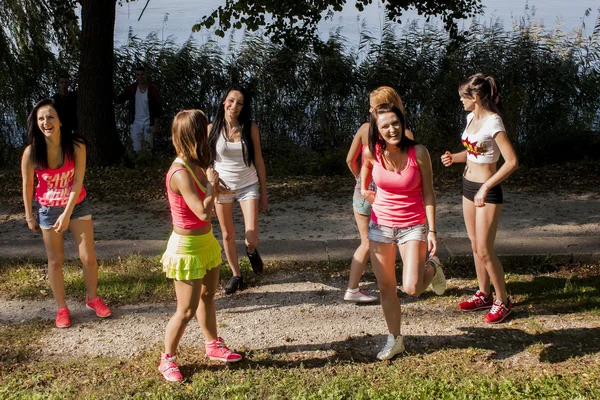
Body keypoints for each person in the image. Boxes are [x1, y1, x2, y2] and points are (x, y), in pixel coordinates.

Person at [159, 109, 242, 382]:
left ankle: (212, 344)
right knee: (185, 310)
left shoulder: (197, 162)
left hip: (205, 242)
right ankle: (167, 359)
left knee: (208, 297)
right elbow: (203, 212)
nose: (209, 131)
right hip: (186, 248)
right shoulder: (180, 172)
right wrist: (211, 185)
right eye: (203, 129)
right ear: (193, 135)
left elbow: (211, 204)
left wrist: (220, 187)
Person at [361, 103, 446, 360]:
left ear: (402, 123)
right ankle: (395, 339)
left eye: (395, 123)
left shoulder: (418, 152)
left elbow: (428, 192)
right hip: (380, 227)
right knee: (386, 287)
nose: (391, 129)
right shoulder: (372, 152)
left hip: (413, 226)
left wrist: (432, 230)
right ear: (377, 130)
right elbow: (364, 172)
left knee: (411, 288)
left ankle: (432, 267)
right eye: (385, 126)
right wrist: (365, 190)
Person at [21, 98, 111, 328]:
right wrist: (29, 216)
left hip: (77, 204)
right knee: (56, 260)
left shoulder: (77, 145)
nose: (46, 122)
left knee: (88, 258)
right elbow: (27, 186)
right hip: (48, 210)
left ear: (60, 120)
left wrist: (67, 212)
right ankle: (61, 308)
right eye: (41, 118)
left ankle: (92, 299)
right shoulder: (31, 153)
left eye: (50, 117)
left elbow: (78, 180)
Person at [441, 73, 518, 324]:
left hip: (488, 191)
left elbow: (512, 162)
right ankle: (483, 294)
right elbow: (475, 152)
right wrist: (455, 157)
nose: (460, 101)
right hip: (468, 186)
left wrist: (486, 186)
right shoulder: (471, 117)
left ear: (474, 97)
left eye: (463, 97)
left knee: (485, 249)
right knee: (475, 246)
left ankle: (502, 301)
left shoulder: (494, 122)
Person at [345, 86, 414, 303]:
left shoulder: (365, 128)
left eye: (373, 106)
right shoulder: (405, 133)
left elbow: (349, 159)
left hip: (362, 194)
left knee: (366, 243)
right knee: (394, 241)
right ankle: (395, 284)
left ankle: (353, 288)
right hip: (386, 196)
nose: (369, 109)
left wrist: (362, 180)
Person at [208, 86, 267, 295]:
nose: (234, 106)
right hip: (222, 187)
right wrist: (210, 193)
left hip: (248, 184)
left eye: (239, 103)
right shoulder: (211, 128)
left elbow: (258, 160)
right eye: (231, 101)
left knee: (251, 236)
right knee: (227, 233)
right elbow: (208, 164)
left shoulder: (250, 128)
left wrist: (264, 192)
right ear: (224, 101)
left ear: (244, 107)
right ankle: (236, 275)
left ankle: (251, 252)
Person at [115, 66, 161, 153]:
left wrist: (155, 126)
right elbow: (119, 99)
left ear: (146, 75)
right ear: (135, 76)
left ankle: (147, 165)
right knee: (136, 149)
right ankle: (138, 164)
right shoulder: (132, 88)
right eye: (138, 75)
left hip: (148, 124)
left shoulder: (152, 90)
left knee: (148, 149)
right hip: (135, 123)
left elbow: (157, 109)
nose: (140, 77)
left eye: (142, 74)